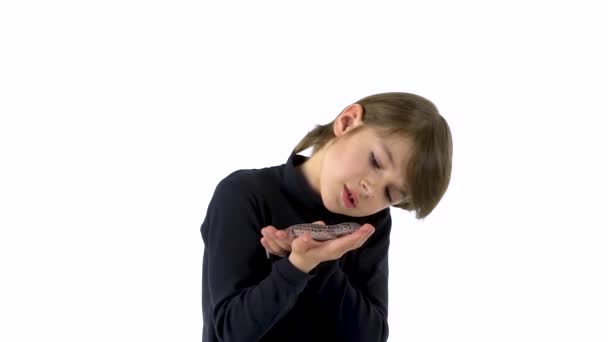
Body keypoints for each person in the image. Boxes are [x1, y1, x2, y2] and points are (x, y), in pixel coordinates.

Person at [200, 92, 453, 342]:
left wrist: (323, 263)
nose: (371, 189)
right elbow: (230, 331)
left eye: (389, 193)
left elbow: (372, 336)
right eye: (375, 161)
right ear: (348, 121)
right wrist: (296, 267)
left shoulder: (371, 224)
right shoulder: (244, 194)